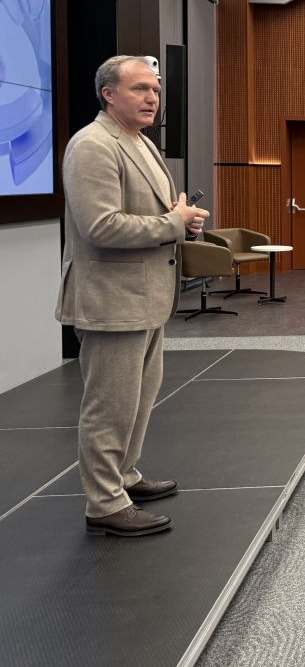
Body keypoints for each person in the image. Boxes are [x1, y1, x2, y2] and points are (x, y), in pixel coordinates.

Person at [56, 55, 208, 537]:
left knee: (138, 401)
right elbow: (100, 227)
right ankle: (104, 503)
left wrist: (183, 222)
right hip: (112, 300)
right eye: (140, 88)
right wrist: (172, 223)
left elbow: (159, 215)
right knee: (109, 406)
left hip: (147, 298)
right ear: (108, 94)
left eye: (155, 90)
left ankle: (123, 477)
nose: (152, 98)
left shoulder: (141, 143)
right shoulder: (93, 145)